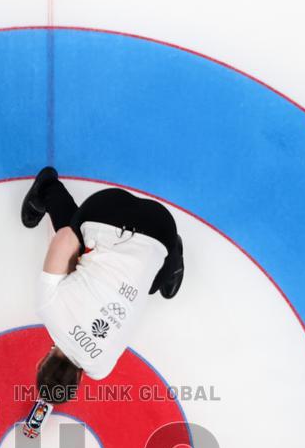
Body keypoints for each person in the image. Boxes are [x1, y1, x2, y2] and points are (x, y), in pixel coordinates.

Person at [21, 166, 185, 404]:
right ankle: (47, 189)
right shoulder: (47, 307)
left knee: (149, 285)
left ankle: (173, 257)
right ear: (40, 362)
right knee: (74, 240)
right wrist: (75, 264)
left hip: (161, 226)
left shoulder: (101, 368)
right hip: (108, 206)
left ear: (79, 380)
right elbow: (65, 237)